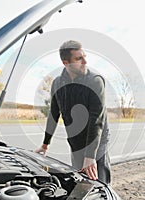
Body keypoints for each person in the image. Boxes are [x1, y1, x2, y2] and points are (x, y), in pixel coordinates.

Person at [35, 40, 111, 184]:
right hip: (75, 141)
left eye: (84, 56)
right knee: (80, 182)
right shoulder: (57, 83)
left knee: (100, 184)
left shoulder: (95, 81)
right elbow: (54, 114)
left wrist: (90, 156)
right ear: (65, 62)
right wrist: (45, 144)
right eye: (78, 58)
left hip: (97, 140)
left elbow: (96, 120)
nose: (85, 61)